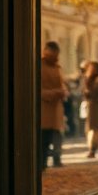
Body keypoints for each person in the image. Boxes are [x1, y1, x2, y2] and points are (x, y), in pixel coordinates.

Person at [39, 41, 67, 169]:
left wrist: (63, 92)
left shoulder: (57, 68)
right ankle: (42, 162)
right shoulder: (39, 66)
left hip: (56, 107)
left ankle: (56, 158)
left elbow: (61, 84)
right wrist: (55, 92)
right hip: (44, 107)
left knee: (56, 135)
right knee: (44, 137)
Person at [81, 60, 98, 158]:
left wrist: (90, 92)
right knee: (91, 129)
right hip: (91, 107)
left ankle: (92, 149)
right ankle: (92, 148)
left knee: (95, 129)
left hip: (97, 107)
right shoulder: (89, 80)